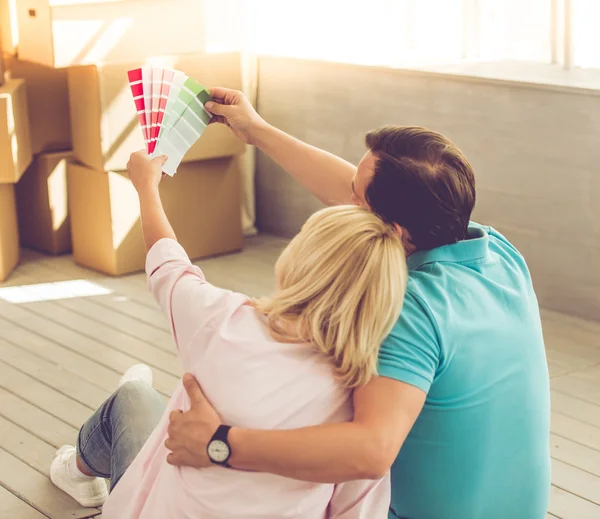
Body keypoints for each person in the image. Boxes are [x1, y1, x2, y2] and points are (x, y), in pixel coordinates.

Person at [164, 88, 552, 519]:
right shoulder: (496, 252)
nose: (345, 201)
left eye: (356, 198)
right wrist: (257, 131)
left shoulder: (407, 308)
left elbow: (372, 451)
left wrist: (218, 443)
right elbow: (357, 196)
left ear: (395, 229)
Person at [50, 150, 408, 519]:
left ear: (299, 257)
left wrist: (145, 186)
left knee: (134, 397)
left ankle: (77, 470)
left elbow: (167, 260)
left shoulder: (223, 319)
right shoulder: (360, 403)